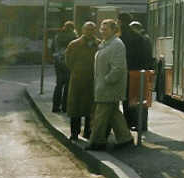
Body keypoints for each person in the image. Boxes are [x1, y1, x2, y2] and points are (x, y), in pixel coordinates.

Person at [86, 19, 133, 151]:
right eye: (102, 29)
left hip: (109, 87)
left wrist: (107, 80)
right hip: (104, 86)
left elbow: (118, 68)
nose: (102, 31)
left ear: (114, 30)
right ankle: (125, 138)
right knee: (114, 114)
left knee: (100, 116)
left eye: (105, 29)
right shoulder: (106, 43)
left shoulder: (117, 44)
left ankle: (96, 142)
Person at [118, 13, 153, 131]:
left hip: (129, 71)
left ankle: (130, 123)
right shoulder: (142, 38)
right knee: (140, 99)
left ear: (120, 22)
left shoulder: (123, 35)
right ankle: (141, 124)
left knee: (128, 99)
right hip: (141, 71)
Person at [65, 22, 98, 141]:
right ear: (83, 30)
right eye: (87, 29)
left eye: (92, 29)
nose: (90, 32)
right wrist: (77, 70)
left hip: (92, 80)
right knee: (75, 108)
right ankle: (74, 133)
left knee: (91, 108)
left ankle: (88, 132)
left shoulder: (99, 44)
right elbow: (68, 61)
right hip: (78, 80)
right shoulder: (74, 44)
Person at [51, 21, 76, 113]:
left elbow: (52, 48)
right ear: (72, 28)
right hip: (68, 62)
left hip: (58, 62)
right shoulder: (74, 37)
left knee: (58, 85)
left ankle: (55, 107)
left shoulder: (57, 36)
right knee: (68, 86)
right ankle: (65, 106)